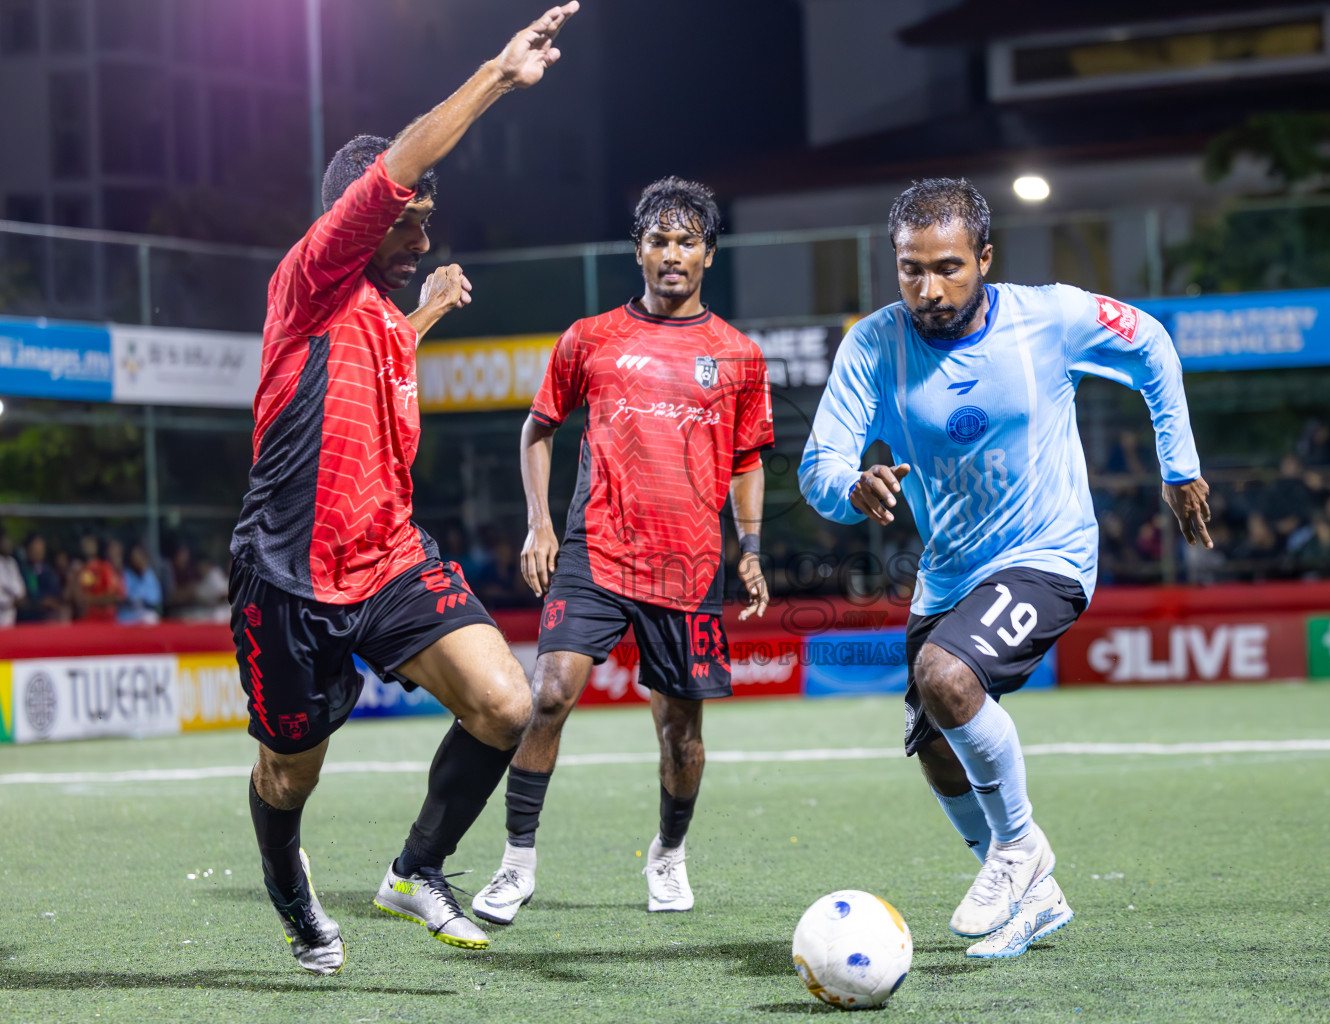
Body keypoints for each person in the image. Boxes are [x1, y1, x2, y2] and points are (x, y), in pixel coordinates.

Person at [225, 2, 579, 976]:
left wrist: (422, 314)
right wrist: (499, 76)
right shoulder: (311, 275)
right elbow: (406, 164)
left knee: (508, 705)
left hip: (386, 558)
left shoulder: (380, 311)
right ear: (366, 216)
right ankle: (287, 881)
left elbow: (375, 365)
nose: (424, 230)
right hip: (290, 576)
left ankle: (415, 868)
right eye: (412, 218)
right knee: (287, 772)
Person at [798, 179, 1211, 959]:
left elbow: (1151, 342)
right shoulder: (873, 345)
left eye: (949, 267)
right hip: (951, 573)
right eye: (911, 269)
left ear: (986, 257)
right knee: (933, 746)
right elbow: (821, 465)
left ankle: (1020, 851)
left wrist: (1177, 464)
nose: (929, 288)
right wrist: (852, 488)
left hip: (1049, 553)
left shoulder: (1047, 317)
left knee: (947, 677)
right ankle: (1035, 899)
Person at [464, 177, 774, 925]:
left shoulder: (737, 355)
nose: (672, 254)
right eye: (659, 240)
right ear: (638, 249)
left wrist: (752, 547)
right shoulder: (590, 337)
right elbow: (538, 428)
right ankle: (515, 865)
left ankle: (668, 856)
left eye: (687, 241)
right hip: (595, 552)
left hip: (688, 565)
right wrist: (541, 523)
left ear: (708, 253)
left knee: (682, 735)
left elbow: (748, 459)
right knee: (548, 695)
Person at [17, 534, 66, 623]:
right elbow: (32, 593)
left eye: (41, 546)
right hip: (31, 618)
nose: (39, 550)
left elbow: (57, 594)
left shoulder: (49, 572)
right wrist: (42, 602)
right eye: (35, 547)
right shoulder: (24, 571)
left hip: (50, 616)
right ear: (28, 549)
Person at [118, 543, 164, 624]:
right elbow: (126, 597)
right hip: (126, 616)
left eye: (139, 556)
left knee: (152, 618)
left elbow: (155, 598)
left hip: (144, 614)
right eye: (134, 556)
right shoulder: (126, 574)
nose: (137, 559)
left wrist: (141, 598)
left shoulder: (149, 573)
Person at [0, 532, 24, 627]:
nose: (8, 544)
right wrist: (11, 601)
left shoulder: (12, 563)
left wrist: (17, 597)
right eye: (5, 541)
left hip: (12, 613)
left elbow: (20, 589)